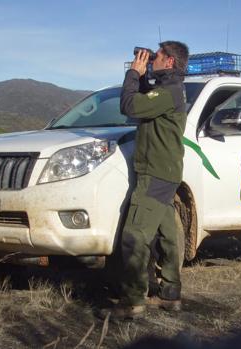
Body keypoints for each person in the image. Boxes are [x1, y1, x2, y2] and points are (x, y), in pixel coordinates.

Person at [103, 41, 189, 320]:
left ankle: (132, 301)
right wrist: (142, 78)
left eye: (158, 56)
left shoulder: (170, 92)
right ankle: (170, 295)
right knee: (166, 237)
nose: (153, 59)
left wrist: (133, 74)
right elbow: (146, 101)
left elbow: (130, 106)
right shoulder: (168, 91)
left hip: (155, 174)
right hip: (165, 171)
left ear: (170, 62)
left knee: (134, 236)